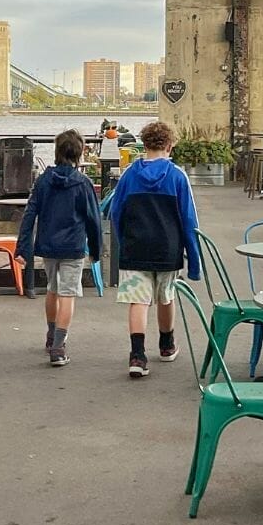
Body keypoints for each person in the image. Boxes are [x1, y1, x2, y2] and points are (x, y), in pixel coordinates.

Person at [104, 119, 200, 378]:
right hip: (168, 249)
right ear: (169, 146)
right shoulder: (177, 176)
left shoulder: (129, 175)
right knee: (166, 297)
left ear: (144, 145)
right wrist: (194, 261)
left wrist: (124, 241)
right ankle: (166, 345)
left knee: (138, 300)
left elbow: (116, 212)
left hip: (135, 247)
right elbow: (189, 220)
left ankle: (137, 355)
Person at [16, 129, 103, 367]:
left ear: (57, 151)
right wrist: (96, 249)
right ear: (79, 153)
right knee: (68, 294)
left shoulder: (43, 180)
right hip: (73, 245)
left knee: (52, 290)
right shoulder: (83, 183)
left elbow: (29, 214)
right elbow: (93, 220)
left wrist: (23, 247)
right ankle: (58, 346)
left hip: (48, 244)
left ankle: (51, 334)